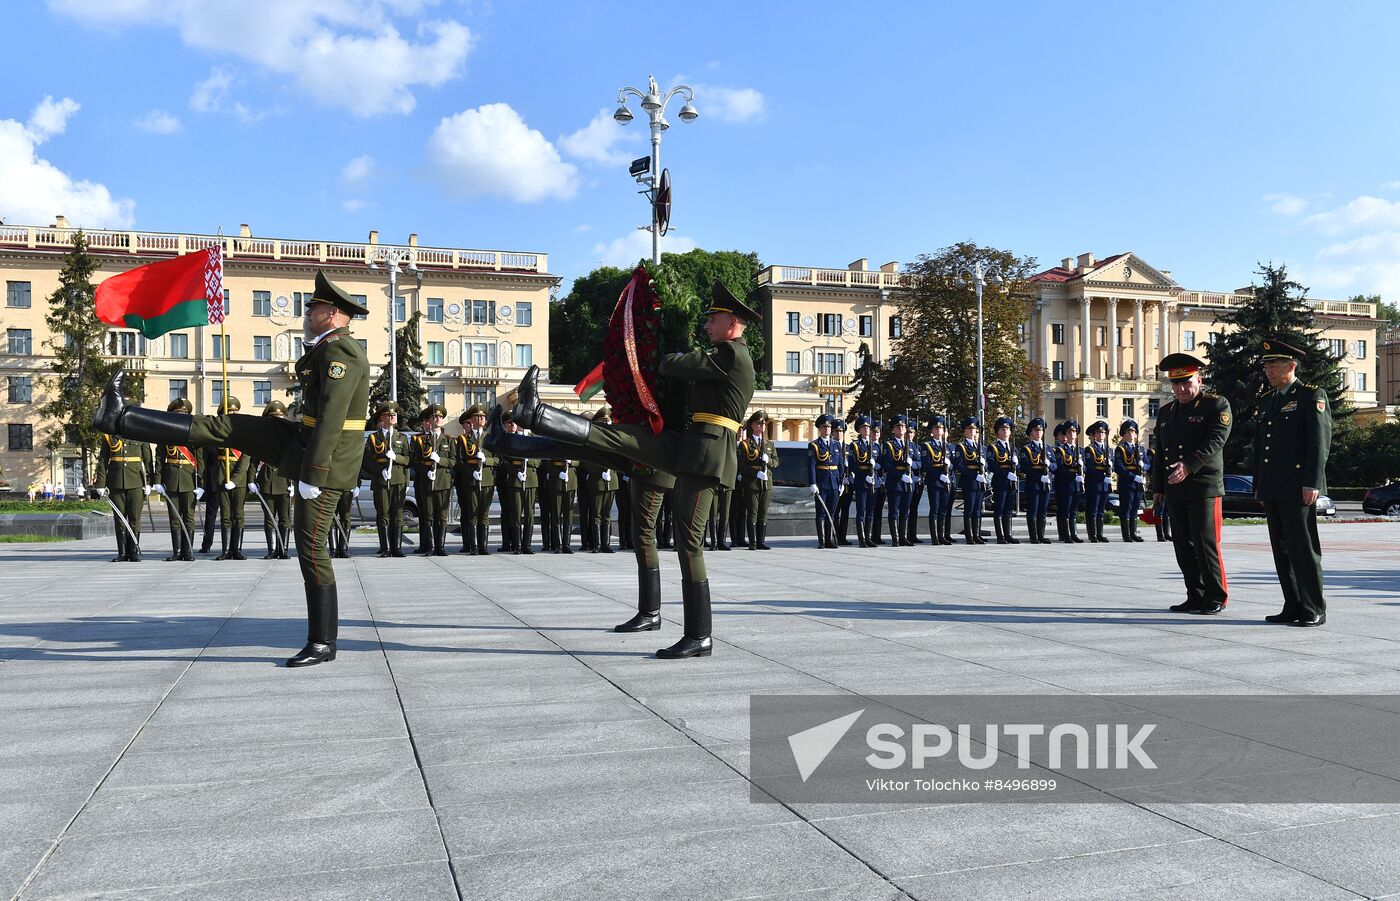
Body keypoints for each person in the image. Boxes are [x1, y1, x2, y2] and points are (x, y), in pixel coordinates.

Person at [93, 270, 371, 667]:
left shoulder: (341, 352)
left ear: (333, 313)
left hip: (323, 461)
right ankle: (119, 417)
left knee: (311, 549)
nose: (308, 312)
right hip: (301, 440)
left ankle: (323, 642)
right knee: (226, 426)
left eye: (315, 307)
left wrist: (314, 473)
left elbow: (332, 419)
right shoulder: (325, 347)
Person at [504, 279, 759, 659]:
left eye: (714, 318)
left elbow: (673, 364)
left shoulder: (731, 356)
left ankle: (699, 635)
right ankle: (528, 425)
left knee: (689, 543)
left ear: (732, 322)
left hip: (708, 456)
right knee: (615, 441)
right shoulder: (722, 355)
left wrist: (664, 341)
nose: (707, 325)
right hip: (691, 445)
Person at [1256, 338, 1333, 627]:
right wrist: (1260, 486)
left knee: (1303, 548)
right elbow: (1262, 447)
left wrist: (1312, 482)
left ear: (1291, 366)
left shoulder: (1311, 396)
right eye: (1266, 367)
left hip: (1298, 486)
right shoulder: (1267, 400)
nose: (1268, 372)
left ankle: (1313, 607)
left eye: (1273, 366)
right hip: (1274, 486)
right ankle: (1293, 604)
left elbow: (1319, 443)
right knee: (1282, 549)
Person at [1151, 352, 1231, 615]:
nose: (1182, 389)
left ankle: (1216, 595)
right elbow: (1161, 452)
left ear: (1200, 379)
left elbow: (1215, 442)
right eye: (1176, 384)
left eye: (1187, 382)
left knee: (1205, 543)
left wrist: (1189, 465)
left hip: (1203, 487)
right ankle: (1195, 595)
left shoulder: (1216, 405)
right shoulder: (1165, 412)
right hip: (1175, 488)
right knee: (1183, 545)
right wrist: (1159, 488)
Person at [153, 397, 202, 561]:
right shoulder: (165, 433)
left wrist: (201, 483)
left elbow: (200, 460)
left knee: (188, 517)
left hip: (189, 479)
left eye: (184, 413)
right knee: (174, 517)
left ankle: (188, 552)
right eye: (178, 414)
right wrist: (158, 481)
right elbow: (159, 458)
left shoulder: (194, 433)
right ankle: (177, 551)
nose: (181, 416)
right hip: (172, 479)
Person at [93, 430, 154, 561]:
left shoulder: (141, 435)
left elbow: (148, 460)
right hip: (115, 482)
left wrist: (149, 483)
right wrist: (100, 483)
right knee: (119, 519)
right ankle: (122, 552)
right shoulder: (110, 437)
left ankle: (133, 551)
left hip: (136, 482)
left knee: (134, 517)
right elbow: (103, 460)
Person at [365, 401, 411, 557]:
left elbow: (407, 460)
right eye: (390, 415)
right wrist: (380, 471)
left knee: (397, 514)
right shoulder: (373, 438)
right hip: (381, 481)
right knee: (383, 514)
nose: (393, 417)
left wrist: (396, 457)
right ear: (382, 417)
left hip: (398, 480)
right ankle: (385, 548)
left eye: (394, 415)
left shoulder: (402, 438)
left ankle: (396, 548)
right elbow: (367, 461)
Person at [211, 397, 252, 561]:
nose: (233, 413)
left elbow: (245, 457)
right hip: (222, 475)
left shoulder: (242, 430)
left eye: (235, 410)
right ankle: (226, 550)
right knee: (225, 515)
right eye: (230, 411)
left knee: (238, 515)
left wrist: (235, 479)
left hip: (238, 479)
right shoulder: (218, 430)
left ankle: (237, 550)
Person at [411, 403, 455, 557]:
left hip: (443, 482)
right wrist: (426, 471)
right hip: (426, 482)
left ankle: (440, 547)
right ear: (429, 420)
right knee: (428, 516)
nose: (437, 419)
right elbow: (414, 461)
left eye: (440, 417)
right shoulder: (420, 440)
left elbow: (453, 461)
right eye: (434, 417)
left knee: (442, 517)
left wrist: (440, 461)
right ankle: (430, 546)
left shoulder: (448, 440)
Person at [452, 404, 494, 555]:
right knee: (472, 514)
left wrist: (487, 461)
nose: (482, 419)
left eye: (483, 417)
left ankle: (483, 546)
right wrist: (471, 473)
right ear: (472, 419)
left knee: (484, 514)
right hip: (470, 481)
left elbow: (498, 460)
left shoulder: (490, 438)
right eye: (478, 416)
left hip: (487, 480)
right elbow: (459, 462)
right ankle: (474, 546)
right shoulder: (464, 439)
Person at [253, 401, 293, 560]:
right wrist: (251, 480)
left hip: (284, 482)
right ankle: (272, 550)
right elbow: (253, 461)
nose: (278, 420)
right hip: (267, 481)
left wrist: (294, 484)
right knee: (269, 519)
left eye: (280, 417)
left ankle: (284, 550)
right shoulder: (262, 438)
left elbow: (295, 461)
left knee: (285, 519)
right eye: (274, 417)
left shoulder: (289, 437)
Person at [497, 414, 539, 554]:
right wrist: (516, 472)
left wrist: (529, 460)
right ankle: (517, 545)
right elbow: (505, 460)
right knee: (515, 513)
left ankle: (527, 545)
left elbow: (538, 461)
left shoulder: (533, 439)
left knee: (529, 513)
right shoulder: (511, 439)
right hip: (514, 480)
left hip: (530, 480)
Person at [578, 408, 617, 553]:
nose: (606, 423)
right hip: (597, 481)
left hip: (611, 480)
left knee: (607, 515)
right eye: (603, 421)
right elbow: (587, 461)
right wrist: (599, 472)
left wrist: (612, 471)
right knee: (596, 514)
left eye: (607, 421)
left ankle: (606, 544)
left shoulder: (614, 438)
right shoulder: (592, 438)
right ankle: (597, 544)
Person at [736, 410, 776, 550]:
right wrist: (756, 473)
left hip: (766, 483)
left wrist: (768, 460)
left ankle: (761, 541)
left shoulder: (769, 444)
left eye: (763, 424)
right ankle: (752, 542)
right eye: (759, 424)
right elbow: (742, 466)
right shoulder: (745, 444)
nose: (762, 426)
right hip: (752, 483)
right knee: (752, 513)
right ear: (752, 425)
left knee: (763, 513)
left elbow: (776, 462)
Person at [878, 414, 915, 546]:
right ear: (893, 430)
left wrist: (913, 464)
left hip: (908, 482)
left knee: (905, 511)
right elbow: (887, 464)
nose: (901, 428)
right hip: (895, 482)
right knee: (894, 511)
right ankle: (895, 537)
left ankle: (903, 537)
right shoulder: (889, 445)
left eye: (903, 426)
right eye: (898, 426)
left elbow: (919, 462)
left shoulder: (911, 445)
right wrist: (900, 476)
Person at [808, 414, 844, 548]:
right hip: (822, 482)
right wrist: (812, 482)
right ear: (820, 428)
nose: (827, 429)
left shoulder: (835, 444)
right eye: (825, 427)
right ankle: (821, 540)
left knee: (832, 513)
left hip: (834, 482)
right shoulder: (814, 445)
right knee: (821, 513)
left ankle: (829, 540)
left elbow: (840, 464)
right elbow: (811, 465)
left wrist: (842, 482)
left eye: (829, 427)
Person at [919, 416, 954, 545]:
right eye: (936, 428)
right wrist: (939, 475)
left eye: (941, 428)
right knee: (935, 508)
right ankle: (935, 537)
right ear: (932, 431)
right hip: (934, 480)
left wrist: (949, 465)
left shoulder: (949, 446)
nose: (939, 430)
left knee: (943, 509)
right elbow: (926, 465)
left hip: (946, 480)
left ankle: (942, 535)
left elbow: (954, 464)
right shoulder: (927, 446)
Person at [952, 416, 987, 544]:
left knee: (978, 510)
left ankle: (976, 534)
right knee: (969, 510)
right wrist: (974, 475)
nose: (972, 431)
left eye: (974, 429)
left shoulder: (980, 447)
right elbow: (959, 465)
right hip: (969, 481)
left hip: (980, 481)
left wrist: (984, 466)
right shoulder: (961, 447)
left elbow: (986, 463)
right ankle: (969, 535)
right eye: (969, 429)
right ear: (965, 431)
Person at [1019, 417, 1054, 544]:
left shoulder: (1049, 448)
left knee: (1043, 511)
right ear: (1031, 433)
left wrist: (1050, 464)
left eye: (1041, 430)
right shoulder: (1026, 449)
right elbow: (1025, 467)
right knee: (1033, 510)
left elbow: (1056, 466)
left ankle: (1041, 535)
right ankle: (1033, 536)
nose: (1039, 432)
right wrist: (1039, 476)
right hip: (1034, 483)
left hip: (1046, 484)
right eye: (1036, 430)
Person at [987, 415, 1021, 544]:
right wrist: (1006, 474)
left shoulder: (1013, 448)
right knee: (999, 509)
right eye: (1002, 429)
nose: (1005, 430)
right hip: (1000, 481)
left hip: (1011, 482)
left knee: (1008, 510)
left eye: (1007, 428)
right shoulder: (993, 447)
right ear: (997, 432)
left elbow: (1019, 466)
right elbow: (992, 465)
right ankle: (1000, 536)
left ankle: (1008, 534)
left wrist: (1017, 464)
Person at [1113, 420, 1147, 543]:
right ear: (1124, 434)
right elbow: (1119, 467)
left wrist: (1144, 466)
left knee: (1135, 508)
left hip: (1138, 484)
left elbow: (1148, 464)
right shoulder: (1120, 449)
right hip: (1127, 482)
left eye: (1133, 432)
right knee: (1126, 508)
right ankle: (1126, 534)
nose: (1131, 434)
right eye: (1129, 432)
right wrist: (1133, 477)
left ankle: (1133, 533)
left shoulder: (1141, 449)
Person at [1052, 421, 1085, 543]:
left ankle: (1074, 534)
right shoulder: (1060, 450)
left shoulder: (1080, 450)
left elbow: (1085, 467)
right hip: (1066, 484)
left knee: (1073, 511)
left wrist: (1082, 469)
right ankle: (1066, 535)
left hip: (1077, 485)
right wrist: (1073, 474)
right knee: (1065, 510)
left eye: (1074, 431)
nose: (1072, 434)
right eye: (1069, 432)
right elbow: (1060, 468)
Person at [847, 415, 877, 547]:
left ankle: (869, 537)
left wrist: (877, 466)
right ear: (859, 430)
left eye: (868, 428)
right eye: (864, 427)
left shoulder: (875, 445)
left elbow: (881, 462)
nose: (866, 430)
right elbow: (853, 464)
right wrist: (864, 476)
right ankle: (862, 539)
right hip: (861, 481)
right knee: (861, 511)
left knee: (870, 511)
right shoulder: (855, 445)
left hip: (873, 481)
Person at [1082, 420, 1113, 543]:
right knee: (1092, 510)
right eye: (1098, 433)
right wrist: (1102, 476)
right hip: (1094, 483)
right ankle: (1092, 534)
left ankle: (1100, 534)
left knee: (1101, 510)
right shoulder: (1090, 449)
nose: (1101, 436)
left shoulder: (1109, 450)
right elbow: (1089, 467)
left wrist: (1111, 468)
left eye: (1103, 433)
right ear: (1094, 435)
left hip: (1105, 484)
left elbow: (1113, 466)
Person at [1145, 440, 1172, 542]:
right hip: (1158, 483)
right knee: (1159, 510)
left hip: (1168, 482)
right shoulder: (1152, 452)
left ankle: (1166, 533)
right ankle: (1159, 534)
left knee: (1166, 511)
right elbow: (1152, 469)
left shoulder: (1167, 451)